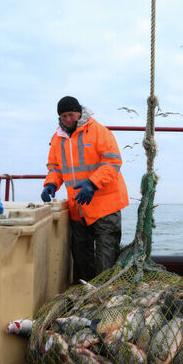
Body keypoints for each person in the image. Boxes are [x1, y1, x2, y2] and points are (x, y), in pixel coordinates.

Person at [40, 96, 129, 281]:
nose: (67, 119)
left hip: (105, 206)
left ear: (79, 112)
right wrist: (50, 184)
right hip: (78, 208)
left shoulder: (99, 131)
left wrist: (92, 183)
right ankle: (89, 293)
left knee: (105, 260)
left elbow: (113, 161)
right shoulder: (57, 139)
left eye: (70, 115)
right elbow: (55, 167)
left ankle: (105, 293)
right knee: (81, 259)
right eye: (63, 116)